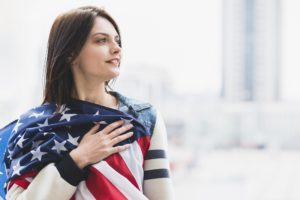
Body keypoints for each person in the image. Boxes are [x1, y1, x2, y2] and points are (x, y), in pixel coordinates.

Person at [0, 6, 174, 200]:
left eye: (117, 41)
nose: (117, 48)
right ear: (70, 53)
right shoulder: (33, 128)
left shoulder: (144, 119)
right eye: (101, 40)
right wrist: (77, 159)